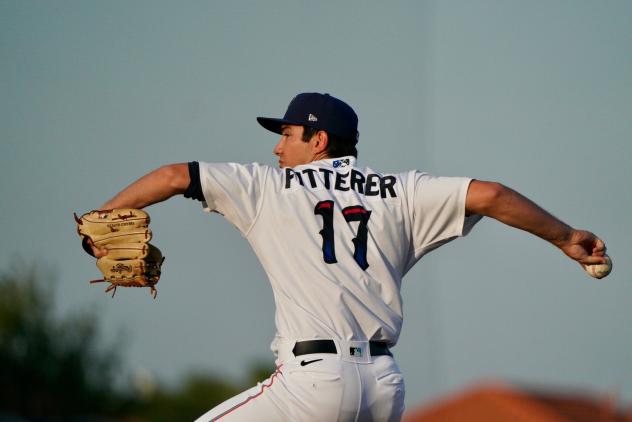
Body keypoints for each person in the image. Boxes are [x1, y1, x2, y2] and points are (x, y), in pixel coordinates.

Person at [85, 93, 608, 421]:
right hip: (383, 389)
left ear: (318, 140)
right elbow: (491, 194)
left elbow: (177, 176)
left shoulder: (270, 187)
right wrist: (565, 237)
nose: (276, 149)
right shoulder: (401, 192)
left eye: (287, 135)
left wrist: (100, 219)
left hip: (311, 385)